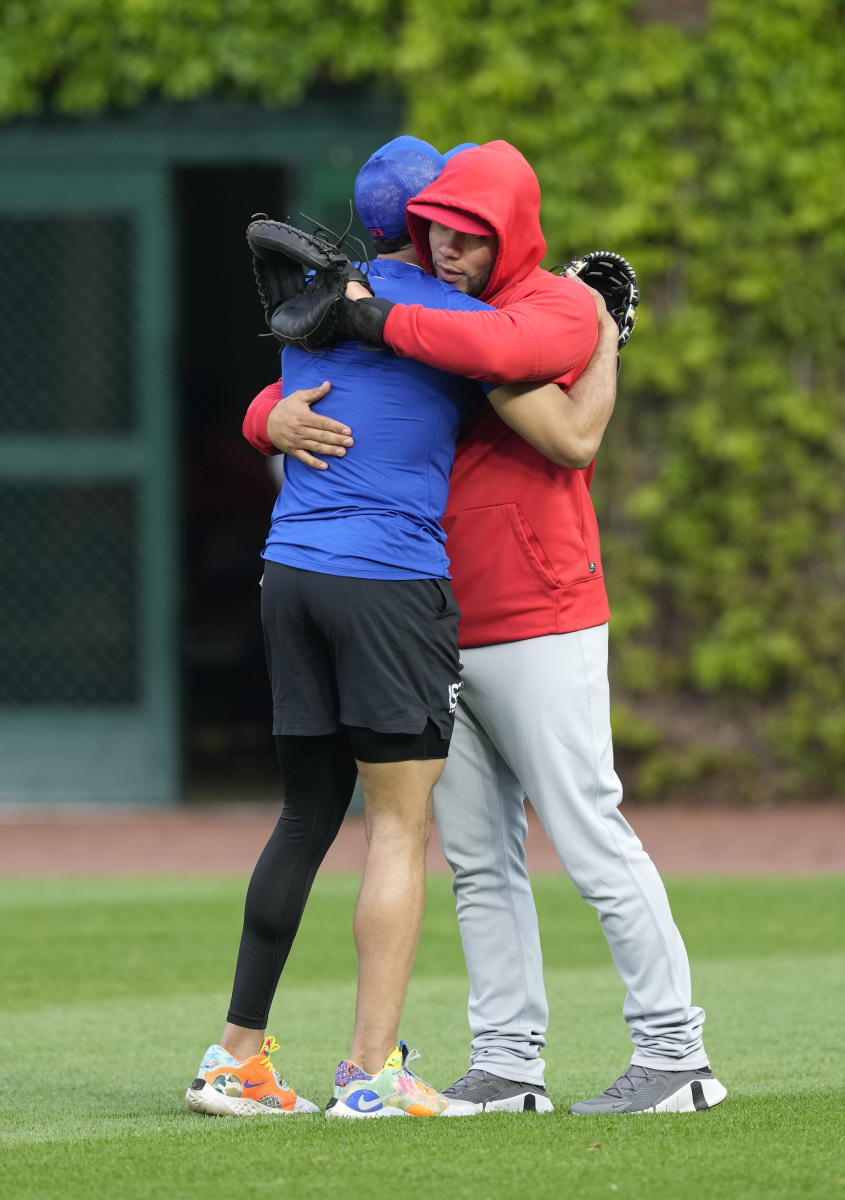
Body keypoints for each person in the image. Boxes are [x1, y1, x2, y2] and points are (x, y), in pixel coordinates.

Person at [244, 139, 727, 1116]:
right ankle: (509, 1066)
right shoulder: (417, 306)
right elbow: (294, 387)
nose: (451, 250)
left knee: (590, 834)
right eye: (436, 232)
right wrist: (271, 418)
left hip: (543, 613)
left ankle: (677, 1055)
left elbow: (537, 393)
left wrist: (596, 339)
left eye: (470, 236)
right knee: (476, 859)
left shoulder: (550, 302)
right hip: (430, 614)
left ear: (511, 234)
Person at [187, 136, 617, 1122]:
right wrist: (602, 327)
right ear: (438, 224)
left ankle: (236, 1060)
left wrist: (266, 417)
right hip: (388, 587)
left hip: (288, 572)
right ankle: (371, 1072)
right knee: (398, 830)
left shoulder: (310, 309)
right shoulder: (459, 314)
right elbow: (565, 422)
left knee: (304, 817)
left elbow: (282, 395)